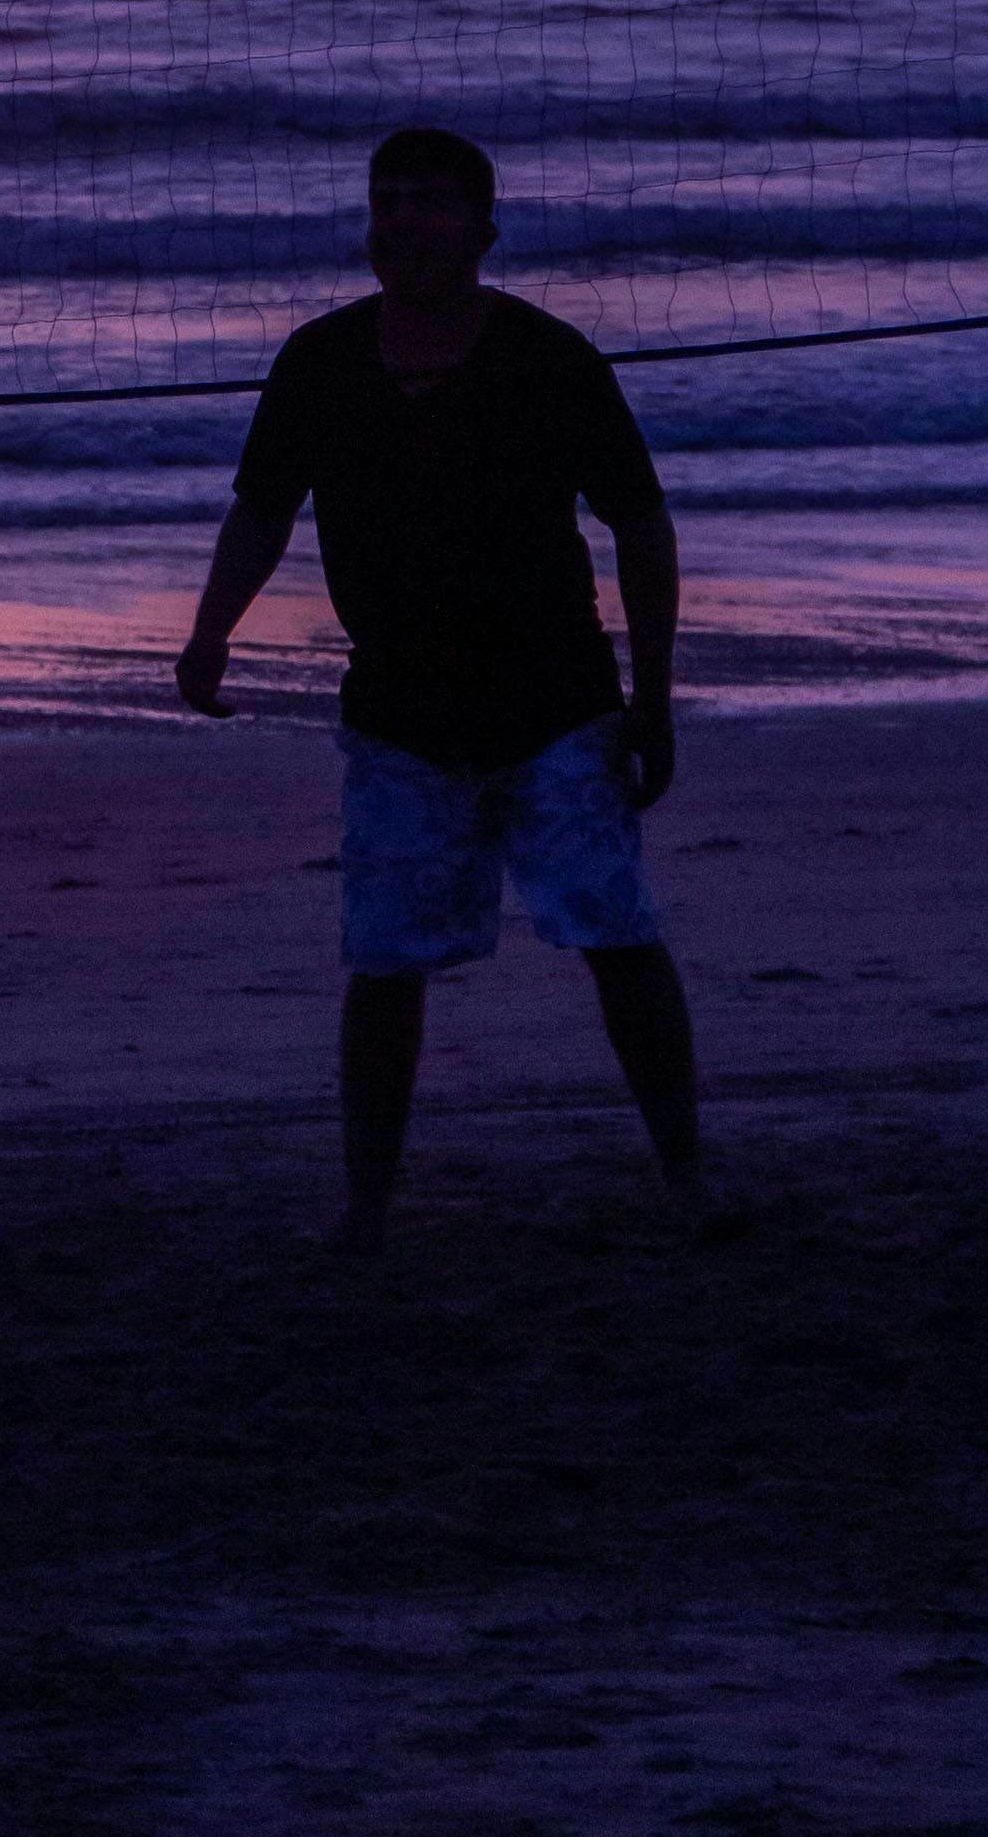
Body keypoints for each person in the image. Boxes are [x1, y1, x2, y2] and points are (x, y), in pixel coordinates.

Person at [174, 125, 705, 1250]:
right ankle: (366, 1210)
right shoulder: (320, 362)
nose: (401, 220)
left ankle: (688, 1179)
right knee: (385, 959)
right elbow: (262, 510)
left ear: (482, 231)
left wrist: (652, 696)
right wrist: (210, 633)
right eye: (386, 202)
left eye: (427, 202)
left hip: (556, 701)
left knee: (617, 935)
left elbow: (642, 523)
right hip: (401, 713)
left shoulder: (548, 357)